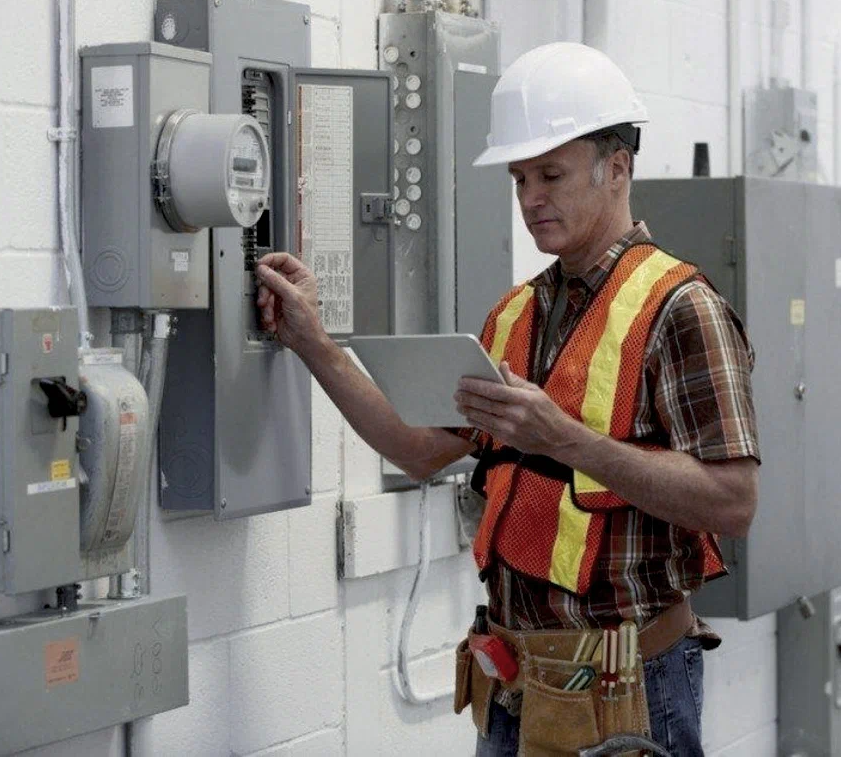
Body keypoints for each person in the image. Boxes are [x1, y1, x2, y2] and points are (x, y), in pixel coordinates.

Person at [255, 42, 760, 757]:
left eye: (551, 175)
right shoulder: (516, 315)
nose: (530, 199)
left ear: (617, 168)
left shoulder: (681, 308)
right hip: (517, 685)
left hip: (630, 692)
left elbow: (733, 503)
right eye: (520, 178)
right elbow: (416, 450)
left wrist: (566, 440)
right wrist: (313, 342)